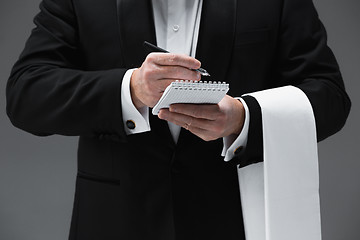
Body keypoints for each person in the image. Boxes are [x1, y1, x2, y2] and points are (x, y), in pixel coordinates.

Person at [6, 0, 351, 239]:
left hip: (236, 223)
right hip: (113, 223)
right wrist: (130, 89)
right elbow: (26, 94)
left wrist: (244, 119)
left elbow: (330, 96)